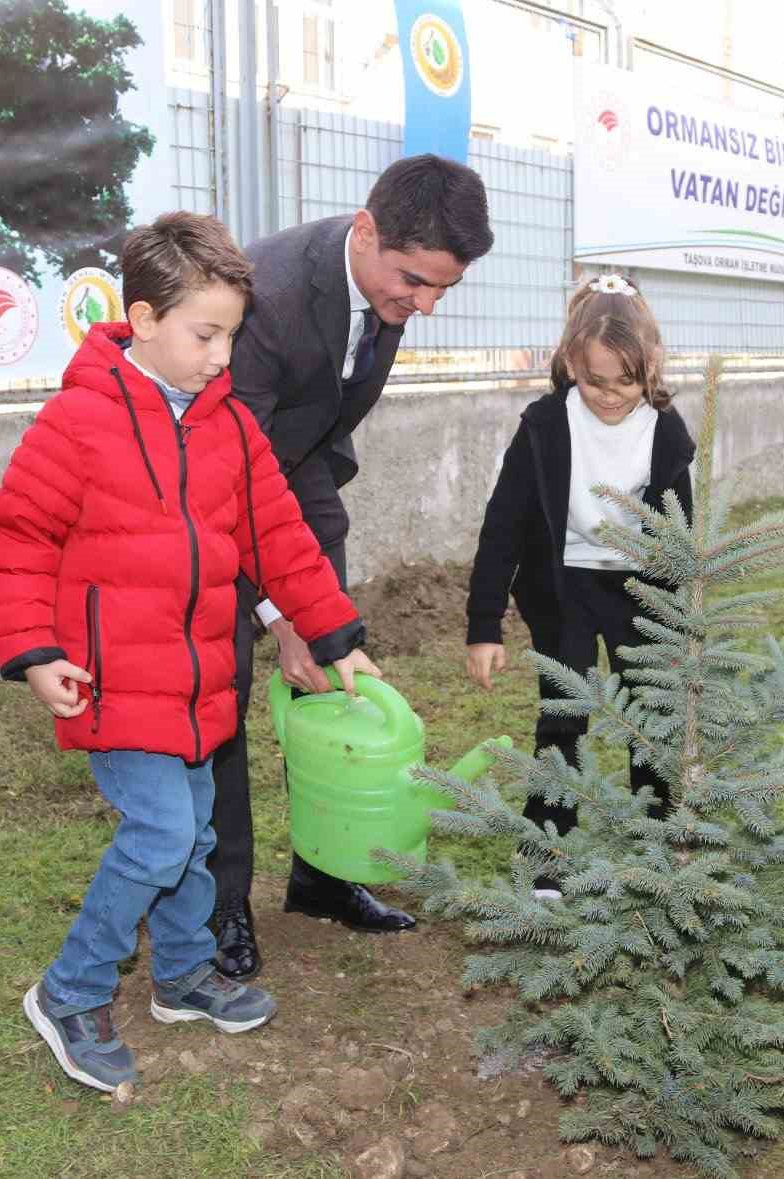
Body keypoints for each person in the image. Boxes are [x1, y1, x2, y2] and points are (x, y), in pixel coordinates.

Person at [0, 211, 381, 1093]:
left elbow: (281, 535)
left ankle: (181, 974)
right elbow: (18, 534)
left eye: (232, 337)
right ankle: (71, 989)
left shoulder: (230, 425)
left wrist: (334, 632)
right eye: (207, 335)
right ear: (145, 316)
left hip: (200, 679)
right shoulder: (78, 420)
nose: (221, 357)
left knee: (195, 832)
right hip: (116, 680)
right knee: (162, 831)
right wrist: (33, 648)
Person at [207, 154, 495, 979]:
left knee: (326, 681)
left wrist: (315, 585)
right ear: (365, 231)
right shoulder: (269, 298)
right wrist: (274, 610)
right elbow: (229, 467)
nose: (426, 306)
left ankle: (322, 875)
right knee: (219, 704)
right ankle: (222, 906)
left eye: (444, 289)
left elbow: (319, 425)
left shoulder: (387, 285)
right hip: (210, 506)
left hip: (299, 486)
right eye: (416, 282)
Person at [462, 275, 694, 887]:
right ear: (570, 362)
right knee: (564, 716)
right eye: (595, 381)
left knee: (649, 719)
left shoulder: (664, 431)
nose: (611, 397)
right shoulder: (544, 425)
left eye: (627, 382)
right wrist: (483, 626)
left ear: (651, 367)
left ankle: (657, 850)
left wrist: (683, 619)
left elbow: (681, 535)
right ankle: (546, 861)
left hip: (639, 593)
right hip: (561, 588)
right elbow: (502, 526)